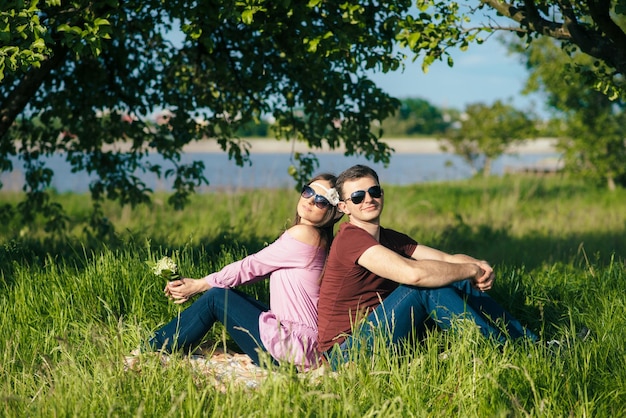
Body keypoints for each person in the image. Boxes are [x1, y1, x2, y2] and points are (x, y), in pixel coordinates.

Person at [317, 164, 537, 365]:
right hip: (346, 352)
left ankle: (530, 345)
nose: (368, 199)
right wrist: (469, 270)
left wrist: (479, 265)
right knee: (423, 288)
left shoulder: (390, 237)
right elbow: (413, 275)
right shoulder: (349, 239)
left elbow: (446, 260)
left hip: (381, 333)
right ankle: (499, 351)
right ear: (345, 207)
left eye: (373, 192)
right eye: (357, 197)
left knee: (455, 279)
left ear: (382, 194)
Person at [148, 173, 342, 371]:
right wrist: (203, 284)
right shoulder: (319, 239)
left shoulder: (304, 234)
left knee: (217, 297)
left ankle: (153, 347)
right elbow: (257, 272)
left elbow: (251, 266)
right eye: (308, 191)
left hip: (291, 347)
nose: (310, 200)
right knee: (224, 294)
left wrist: (199, 285)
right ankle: (162, 344)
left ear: (332, 212)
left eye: (320, 201)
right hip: (301, 345)